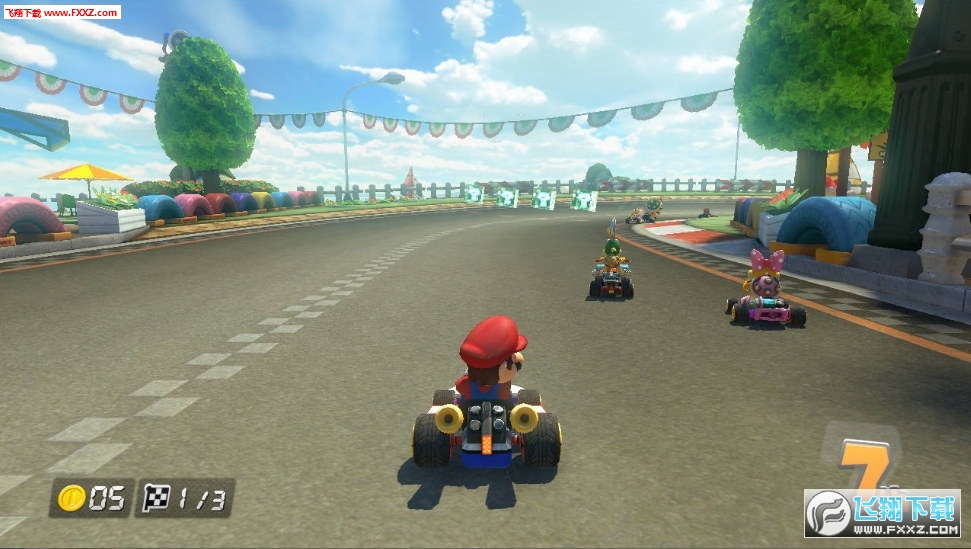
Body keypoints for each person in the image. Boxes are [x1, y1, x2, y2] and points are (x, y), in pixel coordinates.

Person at [453, 315, 528, 402]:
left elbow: (460, 387)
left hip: (491, 404)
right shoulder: (503, 385)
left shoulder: (467, 383)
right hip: (480, 405)